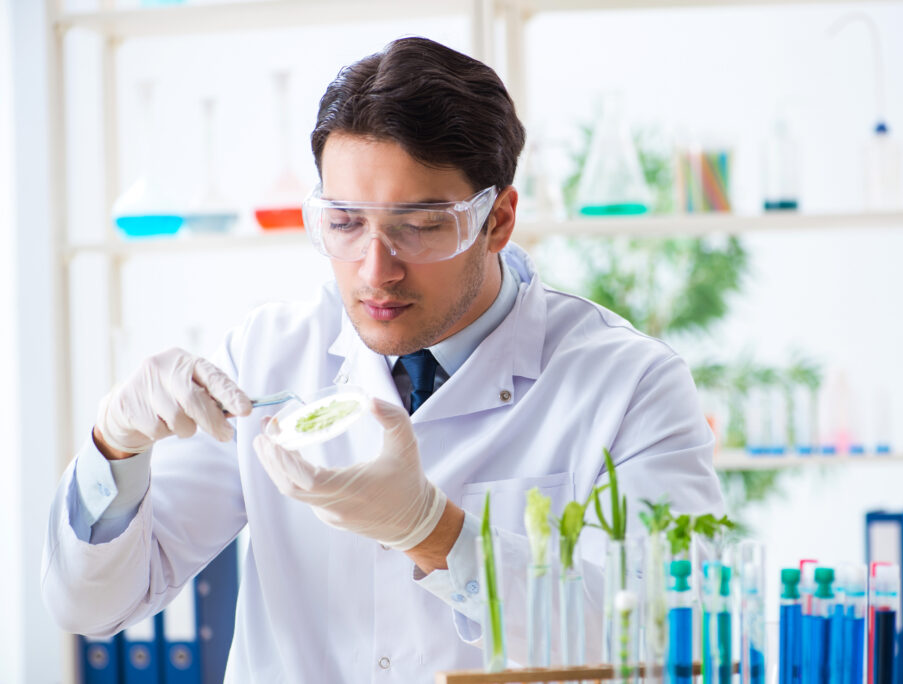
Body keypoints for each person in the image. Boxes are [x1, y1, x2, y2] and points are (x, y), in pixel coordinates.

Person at [42, 36, 724, 681]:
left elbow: (663, 642)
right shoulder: (267, 356)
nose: (375, 270)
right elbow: (91, 608)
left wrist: (438, 535)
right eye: (344, 223)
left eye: (420, 225)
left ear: (499, 220)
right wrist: (115, 449)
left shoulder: (630, 384)